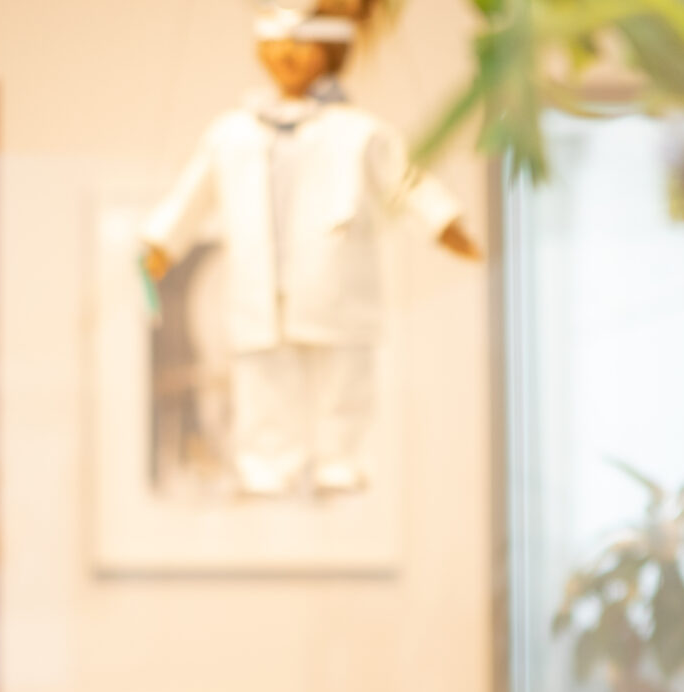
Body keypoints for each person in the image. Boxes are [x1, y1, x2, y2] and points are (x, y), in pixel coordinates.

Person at [141, 0, 481, 497]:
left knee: (344, 381)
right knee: (263, 381)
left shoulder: (358, 132)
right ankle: (266, 465)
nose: (288, 55)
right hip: (260, 286)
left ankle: (341, 461)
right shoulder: (232, 133)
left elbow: (405, 183)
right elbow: (191, 195)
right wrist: (161, 243)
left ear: (330, 48)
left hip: (335, 277)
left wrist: (445, 223)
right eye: (277, 42)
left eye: (302, 43)